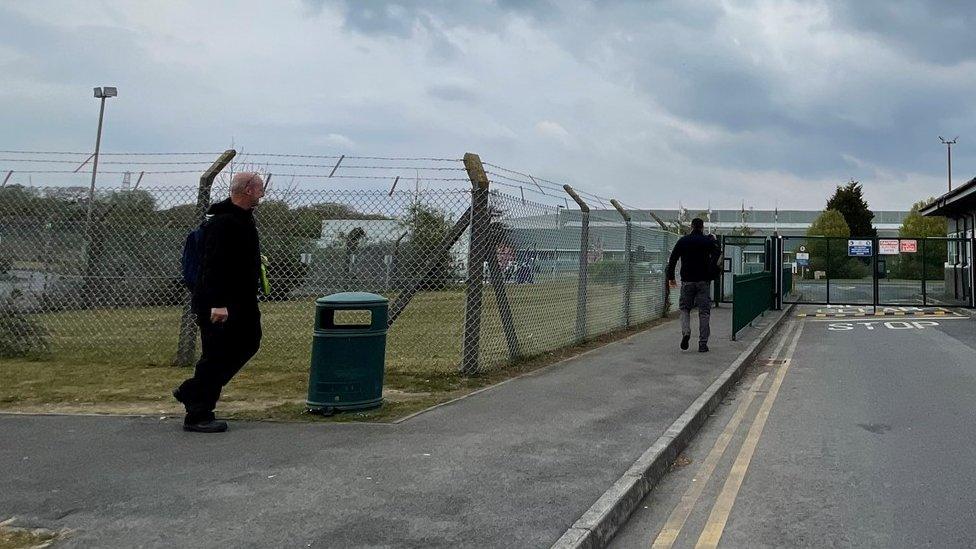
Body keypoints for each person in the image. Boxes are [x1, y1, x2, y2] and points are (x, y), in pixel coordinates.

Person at [173, 172, 266, 433]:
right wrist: (218, 303)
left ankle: (193, 390)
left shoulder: (243, 220)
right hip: (220, 303)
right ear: (247, 189)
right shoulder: (223, 223)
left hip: (242, 300)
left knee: (249, 341)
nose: (263, 192)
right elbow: (213, 266)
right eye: (260, 188)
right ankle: (198, 414)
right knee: (215, 354)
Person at [666, 218, 721, 353]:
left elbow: (672, 259)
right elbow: (717, 252)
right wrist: (713, 240)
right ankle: (703, 344)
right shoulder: (707, 241)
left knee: (685, 309)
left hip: (687, 281)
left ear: (691, 226)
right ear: (702, 227)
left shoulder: (683, 241)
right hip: (703, 281)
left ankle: (686, 332)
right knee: (704, 312)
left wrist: (671, 277)